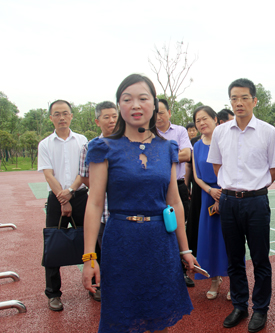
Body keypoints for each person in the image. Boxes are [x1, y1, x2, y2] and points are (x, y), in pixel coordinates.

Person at [82, 74, 196, 333]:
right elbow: (95, 203)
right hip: (121, 242)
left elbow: (174, 202)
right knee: (122, 317)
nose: (135, 105)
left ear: (154, 104)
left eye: (143, 98)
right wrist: (89, 257)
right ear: (119, 106)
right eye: (127, 99)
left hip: (160, 243)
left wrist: (184, 250)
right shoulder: (104, 147)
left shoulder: (167, 148)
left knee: (161, 316)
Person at [207, 78, 275, 332]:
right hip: (228, 202)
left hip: (256, 202)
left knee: (261, 258)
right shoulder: (220, 132)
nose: (239, 103)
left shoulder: (268, 131)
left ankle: (260, 309)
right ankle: (239, 305)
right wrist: (232, 187)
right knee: (234, 258)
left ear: (255, 100)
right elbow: (217, 166)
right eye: (234, 99)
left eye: (244, 98)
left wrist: (255, 187)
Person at [38, 99, 88, 311]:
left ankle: (95, 285)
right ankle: (53, 294)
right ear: (51, 118)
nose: (61, 117)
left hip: (80, 195)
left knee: (90, 242)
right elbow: (48, 174)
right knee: (53, 244)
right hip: (56, 198)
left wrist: (71, 192)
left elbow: (83, 171)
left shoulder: (82, 140)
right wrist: (62, 197)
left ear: (71, 116)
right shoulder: (45, 144)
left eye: (65, 113)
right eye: (56, 114)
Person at [79, 101, 118, 302]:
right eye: (106, 117)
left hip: (127, 213)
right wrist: (102, 183)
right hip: (104, 212)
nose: (112, 120)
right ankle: (105, 288)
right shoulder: (91, 146)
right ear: (97, 121)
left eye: (114, 116)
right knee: (106, 257)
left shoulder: (128, 142)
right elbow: (86, 178)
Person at [156, 98, 195, 287]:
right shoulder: (147, 134)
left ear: (169, 113)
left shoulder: (179, 131)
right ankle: (163, 273)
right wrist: (173, 156)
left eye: (162, 112)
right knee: (159, 231)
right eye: (155, 113)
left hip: (177, 187)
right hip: (155, 189)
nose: (158, 116)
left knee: (179, 228)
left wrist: (159, 156)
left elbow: (187, 155)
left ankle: (182, 272)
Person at [192, 105, 229, 299]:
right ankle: (215, 280)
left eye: (205, 118)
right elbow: (197, 176)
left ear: (215, 119)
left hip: (227, 193)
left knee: (230, 241)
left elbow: (229, 169)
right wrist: (210, 191)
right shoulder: (196, 145)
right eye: (198, 120)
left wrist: (220, 194)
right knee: (210, 240)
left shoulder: (225, 140)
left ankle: (234, 281)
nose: (202, 123)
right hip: (208, 195)